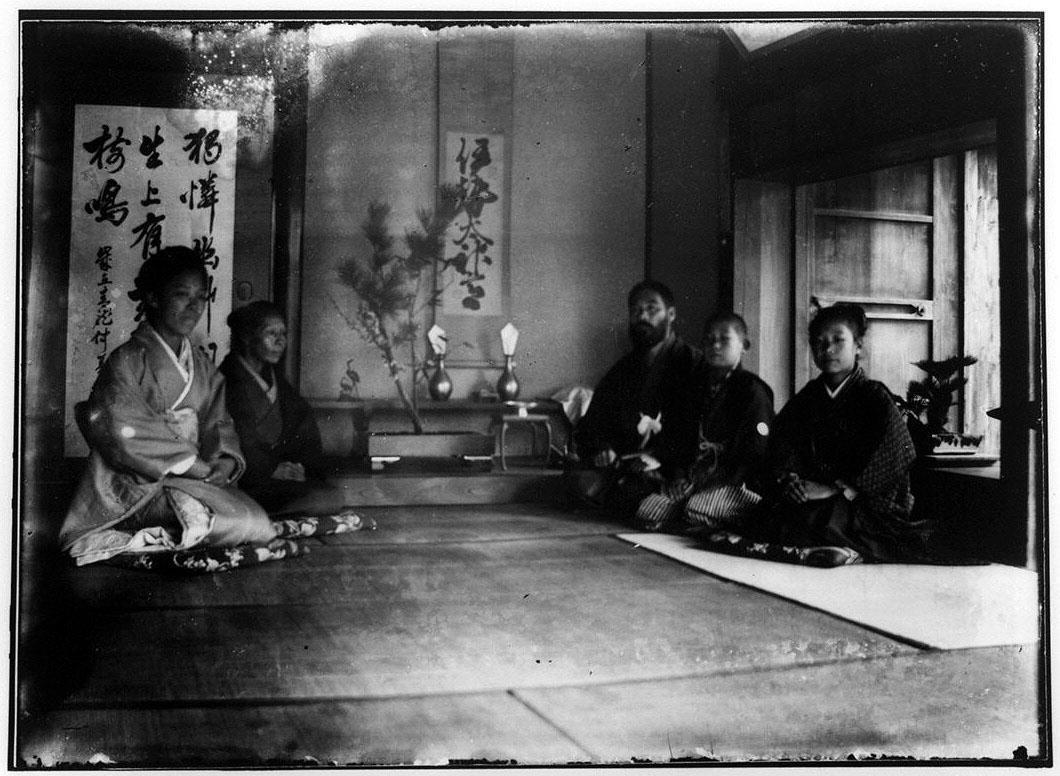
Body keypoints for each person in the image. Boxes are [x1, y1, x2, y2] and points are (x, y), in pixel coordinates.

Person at [59, 247, 370, 573]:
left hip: (193, 479)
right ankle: (161, 531)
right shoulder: (127, 360)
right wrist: (191, 464)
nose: (194, 307)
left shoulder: (202, 367)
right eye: (182, 295)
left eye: (201, 298)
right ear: (152, 297)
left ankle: (183, 529)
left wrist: (224, 460)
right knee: (228, 520)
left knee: (253, 521)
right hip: (138, 483)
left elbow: (220, 425)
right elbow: (120, 427)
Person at [698, 303, 931, 567]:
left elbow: (896, 452)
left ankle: (846, 549)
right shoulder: (808, 397)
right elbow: (781, 446)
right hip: (809, 494)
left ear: (858, 346)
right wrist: (790, 481)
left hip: (859, 499)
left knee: (819, 520)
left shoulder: (874, 396)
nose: (827, 349)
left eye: (838, 340)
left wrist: (835, 489)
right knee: (774, 514)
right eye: (819, 343)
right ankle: (835, 548)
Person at [569, 279, 703, 516]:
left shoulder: (694, 364)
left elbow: (698, 432)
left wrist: (666, 463)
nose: (642, 316)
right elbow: (593, 424)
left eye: (652, 309)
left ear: (671, 314)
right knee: (576, 480)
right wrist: (603, 448)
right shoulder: (623, 369)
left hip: (674, 470)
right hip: (629, 465)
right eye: (636, 311)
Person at [635, 312, 774, 532]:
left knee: (698, 508)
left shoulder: (752, 390)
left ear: (744, 346)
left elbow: (754, 452)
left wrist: (714, 483)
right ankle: (694, 519)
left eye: (724, 339)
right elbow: (676, 438)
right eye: (709, 340)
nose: (715, 345)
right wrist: (678, 476)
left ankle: (727, 517)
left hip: (733, 481)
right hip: (694, 477)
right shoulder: (693, 386)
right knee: (648, 510)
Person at [220, 301, 344, 515]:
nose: (280, 342)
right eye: (271, 333)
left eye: (283, 334)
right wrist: (271, 469)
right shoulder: (227, 379)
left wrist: (301, 466)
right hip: (246, 478)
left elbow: (303, 428)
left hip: (277, 475)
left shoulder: (276, 380)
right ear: (247, 337)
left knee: (331, 495)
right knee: (321, 499)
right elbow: (233, 438)